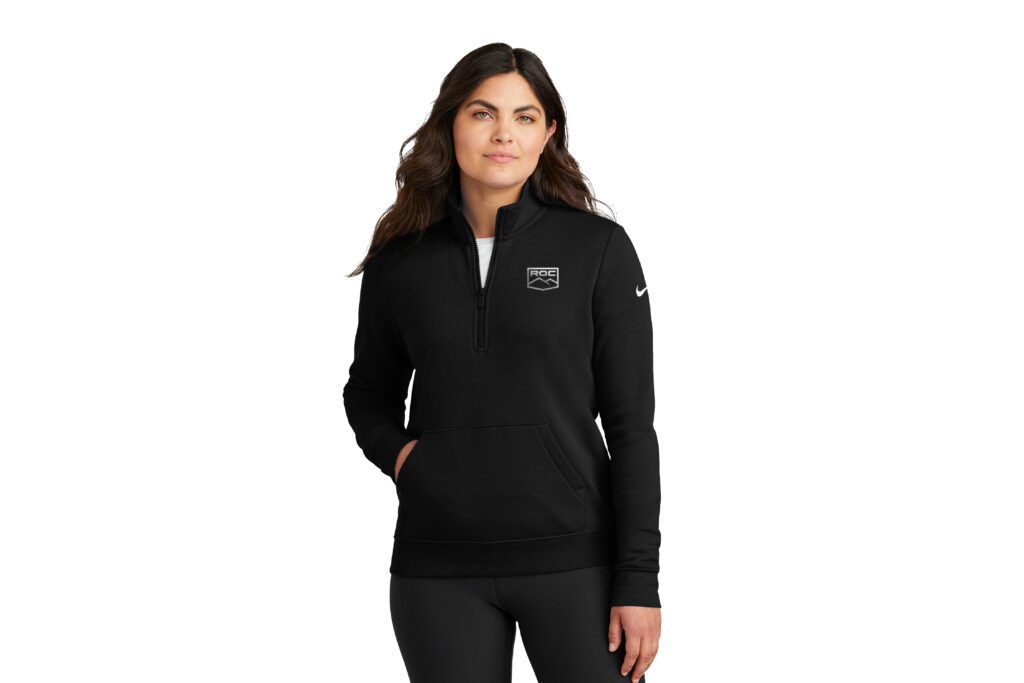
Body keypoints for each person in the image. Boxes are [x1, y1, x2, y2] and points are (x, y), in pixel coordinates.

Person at [343, 42, 662, 683]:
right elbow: (368, 390)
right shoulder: (401, 259)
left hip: (578, 564)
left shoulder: (597, 249)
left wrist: (639, 579)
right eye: (483, 112)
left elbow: (632, 426)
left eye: (524, 116)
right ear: (451, 124)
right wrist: (407, 460)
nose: (502, 134)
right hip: (437, 570)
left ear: (548, 133)